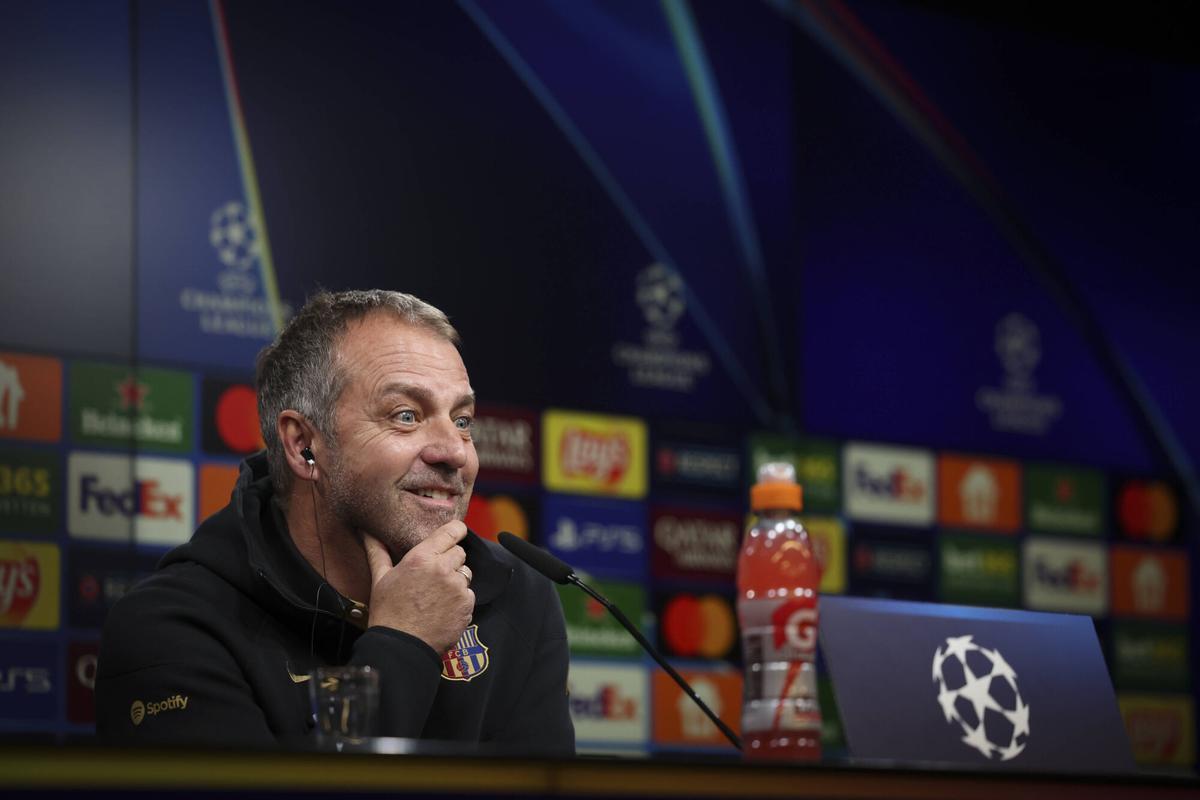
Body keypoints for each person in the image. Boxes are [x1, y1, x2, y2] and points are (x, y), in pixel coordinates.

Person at [96, 289, 575, 753]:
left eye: (463, 420)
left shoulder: (518, 597)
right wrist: (403, 644)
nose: (455, 452)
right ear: (305, 445)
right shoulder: (172, 627)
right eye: (407, 415)